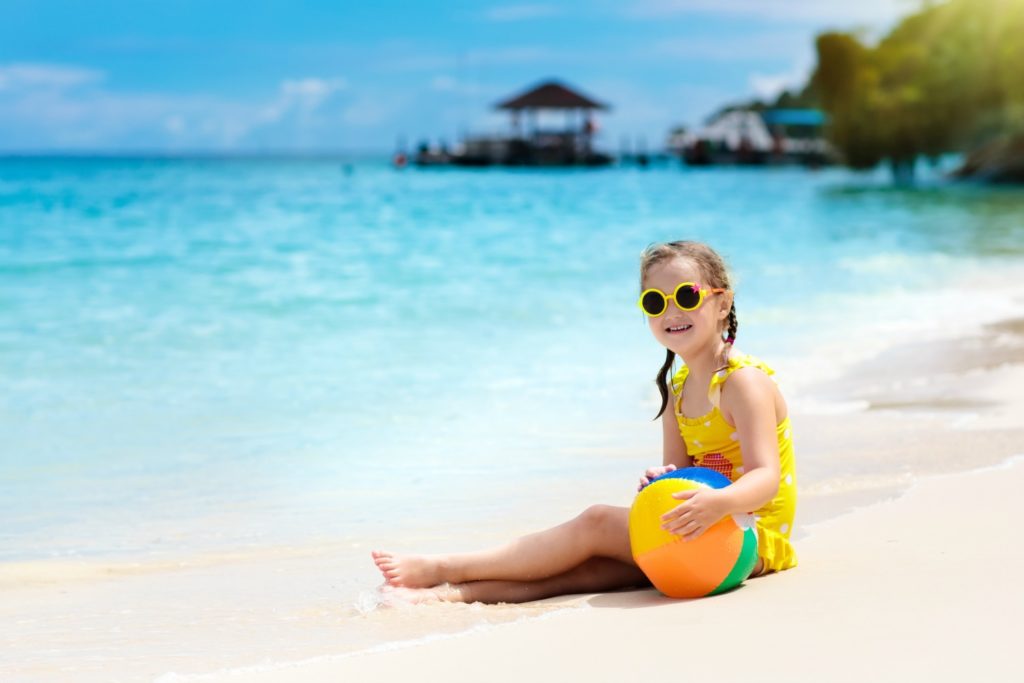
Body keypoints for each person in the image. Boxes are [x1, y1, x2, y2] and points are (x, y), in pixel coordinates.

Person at [372, 240, 797, 604]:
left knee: (595, 521)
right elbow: (684, 475)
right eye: (655, 301)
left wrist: (717, 504)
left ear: (722, 303)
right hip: (707, 533)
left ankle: (446, 566)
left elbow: (766, 478)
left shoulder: (742, 383)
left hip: (750, 539)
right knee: (593, 570)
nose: (671, 311)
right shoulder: (678, 389)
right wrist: (662, 482)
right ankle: (448, 595)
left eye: (687, 296)